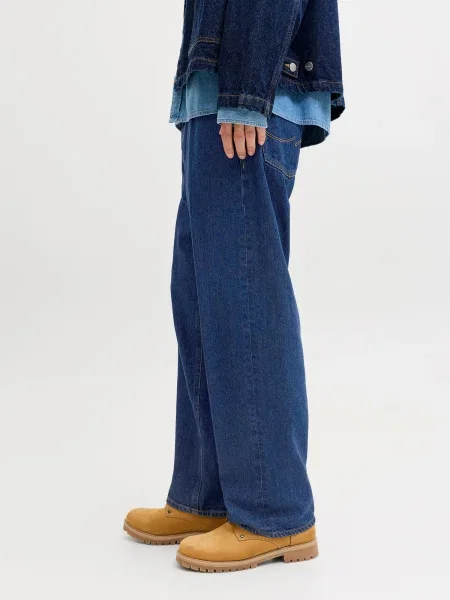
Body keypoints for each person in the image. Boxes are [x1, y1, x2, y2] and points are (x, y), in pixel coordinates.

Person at [123, 0, 344, 573]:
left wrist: (246, 88)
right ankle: (207, 495)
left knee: (244, 295)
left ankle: (273, 510)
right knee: (204, 298)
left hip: (246, 92)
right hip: (218, 93)